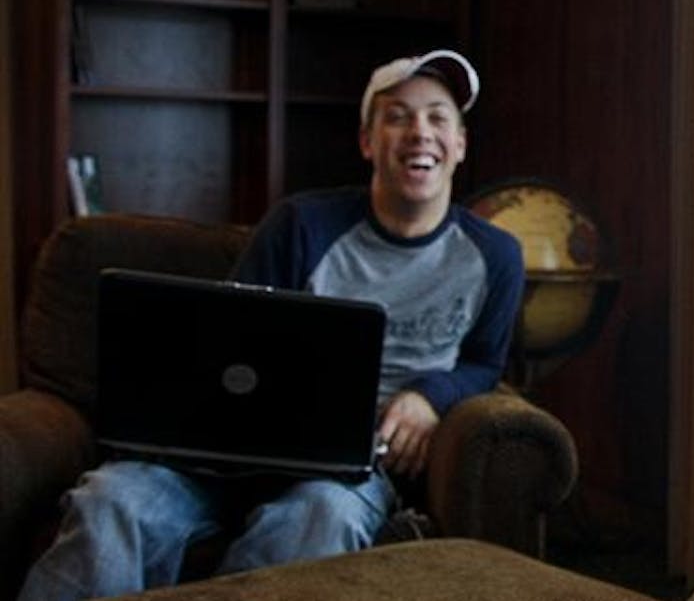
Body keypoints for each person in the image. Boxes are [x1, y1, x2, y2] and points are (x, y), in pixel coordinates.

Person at [20, 49, 525, 600]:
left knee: (321, 516)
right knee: (111, 498)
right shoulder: (302, 223)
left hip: (342, 473)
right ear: (367, 141)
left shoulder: (495, 255)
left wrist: (430, 395)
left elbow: (484, 362)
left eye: (437, 117)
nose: (419, 132)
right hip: (218, 456)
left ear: (459, 144)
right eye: (397, 116)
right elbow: (225, 337)